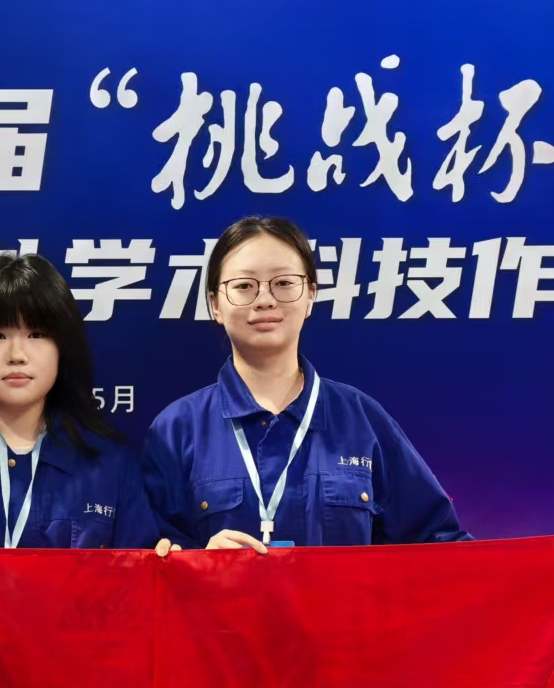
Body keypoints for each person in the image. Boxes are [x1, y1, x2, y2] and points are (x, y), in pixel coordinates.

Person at [143, 215, 470, 551]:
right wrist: (199, 563)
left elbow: (439, 544)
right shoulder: (176, 430)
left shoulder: (363, 420)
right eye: (244, 286)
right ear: (215, 304)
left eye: (284, 283)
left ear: (311, 295)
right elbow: (145, 556)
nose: (265, 299)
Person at [0, 253, 162, 551]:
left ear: (63, 348)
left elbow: (139, 573)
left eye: (37, 334)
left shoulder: (111, 463)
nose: (17, 355)